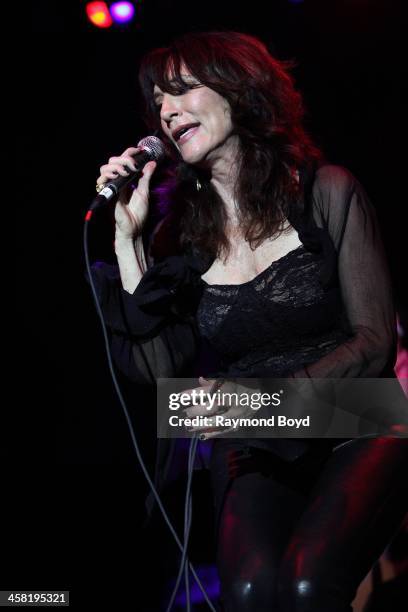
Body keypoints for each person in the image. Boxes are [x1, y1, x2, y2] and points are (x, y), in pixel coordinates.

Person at [91, 31, 408, 611]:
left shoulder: (326, 192)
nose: (166, 111)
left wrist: (259, 400)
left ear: (238, 89)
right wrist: (127, 241)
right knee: (249, 593)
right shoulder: (182, 238)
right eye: (158, 101)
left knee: (309, 585)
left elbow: (372, 345)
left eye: (182, 90)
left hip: (358, 415)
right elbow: (154, 371)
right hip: (254, 438)